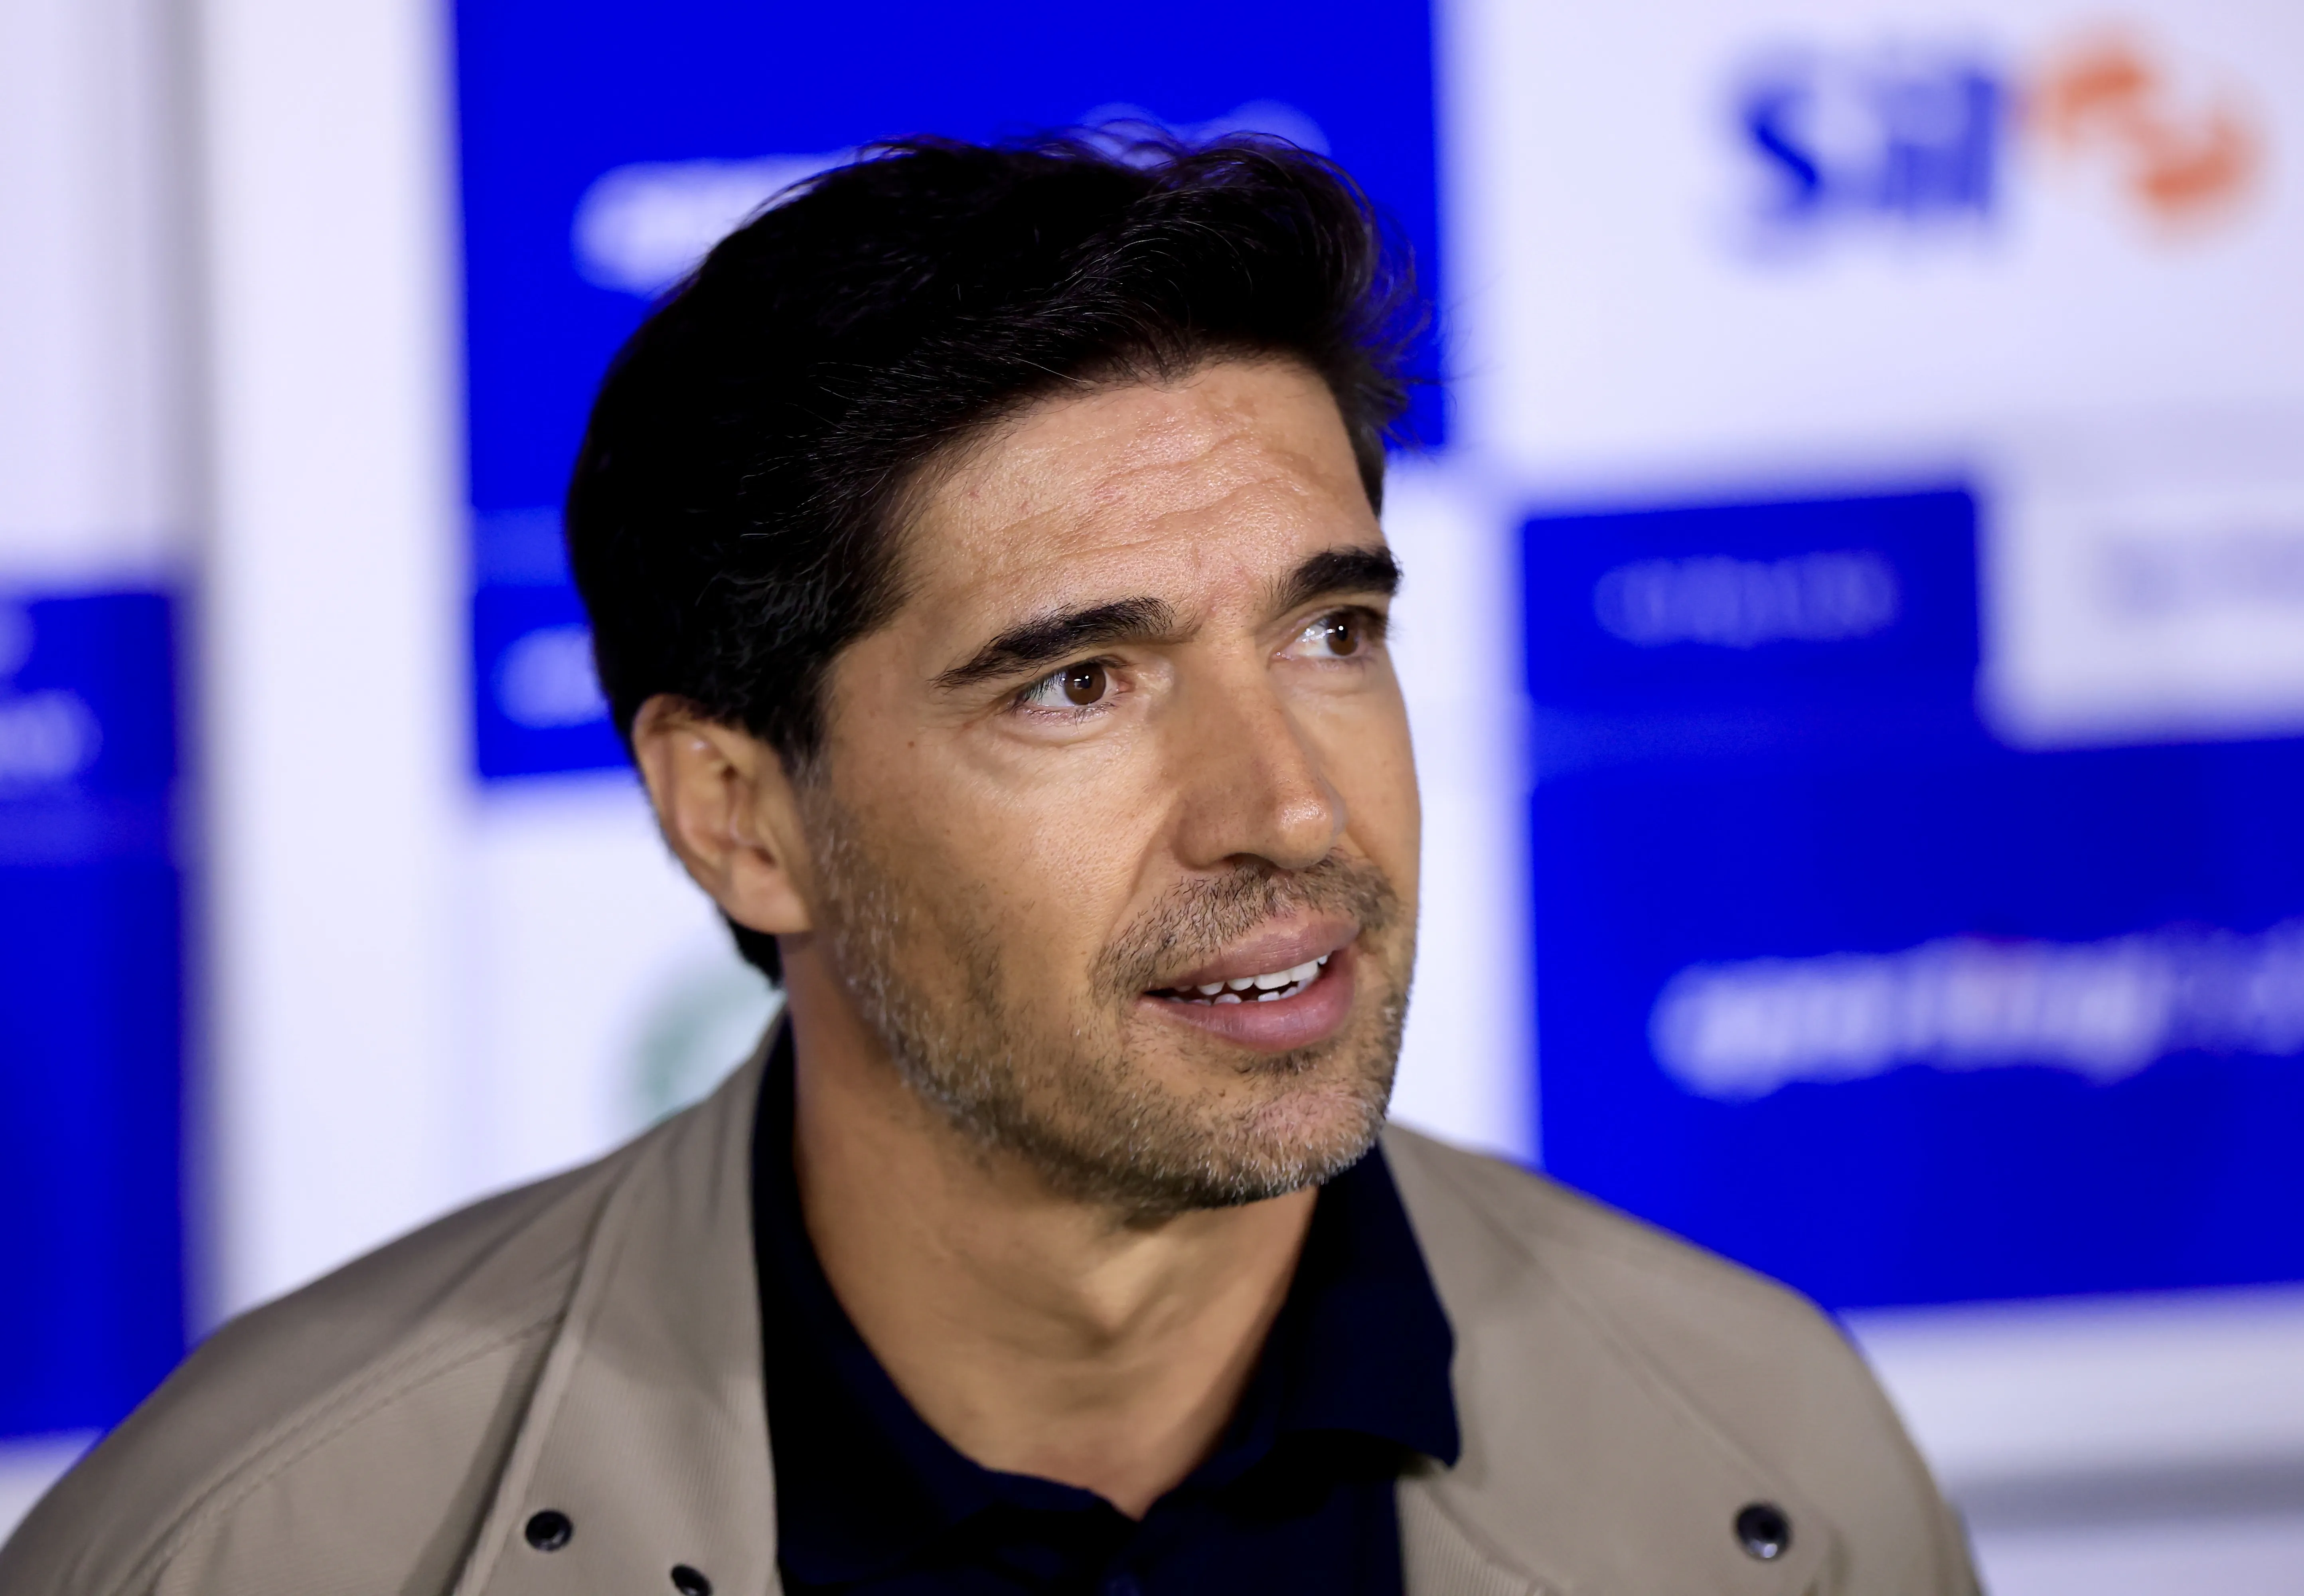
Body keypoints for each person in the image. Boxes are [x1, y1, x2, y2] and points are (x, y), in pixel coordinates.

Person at [2, 135, 1979, 1596]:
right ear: (737, 812)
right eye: (1080, 682)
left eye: (1332, 634)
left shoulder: (1768, 1463)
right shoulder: (255, 1545)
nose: (1286, 808)